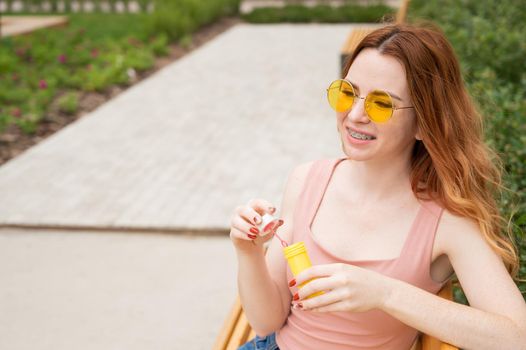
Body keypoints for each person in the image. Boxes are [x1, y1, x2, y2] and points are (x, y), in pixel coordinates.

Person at [228, 22, 526, 350]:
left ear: (424, 124)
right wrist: (249, 252)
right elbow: (266, 322)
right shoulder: (306, 181)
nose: (355, 114)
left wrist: (384, 292)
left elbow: (516, 337)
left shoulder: (446, 220)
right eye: (348, 93)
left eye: (382, 104)